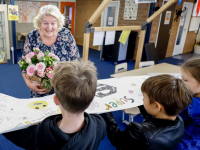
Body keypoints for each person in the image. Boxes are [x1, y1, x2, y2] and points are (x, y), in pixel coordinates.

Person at [3, 60, 106, 150]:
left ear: (56, 100)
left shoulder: (43, 132)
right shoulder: (99, 124)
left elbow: (15, 134)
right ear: (92, 100)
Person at [101, 74, 193, 150]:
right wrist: (142, 104)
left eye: (144, 97)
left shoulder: (140, 132)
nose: (142, 99)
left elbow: (116, 139)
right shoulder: (179, 121)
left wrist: (106, 113)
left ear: (156, 106)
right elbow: (153, 119)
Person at [22, 5, 80, 98]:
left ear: (58, 23)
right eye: (45, 23)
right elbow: (24, 64)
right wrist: (29, 84)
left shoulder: (66, 34)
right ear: (39, 23)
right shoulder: (32, 36)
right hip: (39, 88)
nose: (49, 27)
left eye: (53, 23)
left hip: (63, 88)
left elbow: (76, 60)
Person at [175, 58, 200, 149]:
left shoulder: (193, 104)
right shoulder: (193, 95)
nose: (180, 82)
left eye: (185, 80)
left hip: (188, 141)